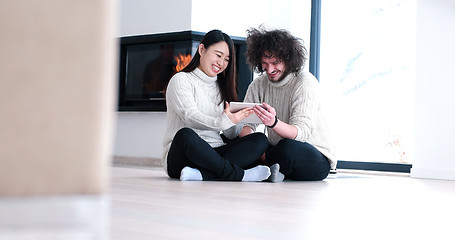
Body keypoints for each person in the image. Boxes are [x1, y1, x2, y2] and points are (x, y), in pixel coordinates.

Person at [162, 29, 271, 182]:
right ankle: (239, 174)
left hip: (215, 153)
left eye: (226, 59)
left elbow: (230, 134)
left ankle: (202, 175)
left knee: (259, 140)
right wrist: (223, 121)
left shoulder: (222, 87)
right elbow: (190, 117)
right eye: (218, 55)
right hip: (183, 155)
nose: (221, 63)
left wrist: (242, 118)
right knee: (185, 135)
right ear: (201, 49)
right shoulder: (181, 80)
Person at [239, 27, 336, 182]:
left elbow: (301, 134)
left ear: (288, 60)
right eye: (265, 63)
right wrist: (255, 148)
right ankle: (274, 170)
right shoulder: (258, 84)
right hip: (276, 150)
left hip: (312, 155)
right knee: (238, 141)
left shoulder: (304, 82)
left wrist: (274, 123)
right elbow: (245, 126)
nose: (269, 69)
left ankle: (268, 168)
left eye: (275, 63)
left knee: (287, 148)